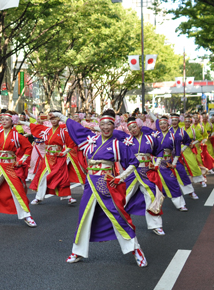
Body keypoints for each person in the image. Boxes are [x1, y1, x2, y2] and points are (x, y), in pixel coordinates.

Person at [54, 110, 147, 267]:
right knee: (84, 217)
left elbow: (133, 162)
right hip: (90, 183)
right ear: (98, 125)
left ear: (113, 126)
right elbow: (76, 128)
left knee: (118, 216)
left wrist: (120, 177)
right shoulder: (91, 140)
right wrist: (62, 117)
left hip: (106, 185)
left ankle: (135, 249)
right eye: (102, 124)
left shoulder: (117, 145)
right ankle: (78, 251)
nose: (105, 127)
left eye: (109, 124)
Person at [117, 117, 166, 236]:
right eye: (130, 128)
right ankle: (117, 221)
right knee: (124, 195)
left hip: (146, 171)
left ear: (139, 126)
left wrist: (157, 164)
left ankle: (156, 225)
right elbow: (123, 157)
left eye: (134, 127)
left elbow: (159, 151)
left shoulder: (150, 138)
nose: (133, 130)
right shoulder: (127, 141)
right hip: (132, 171)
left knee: (152, 196)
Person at [21, 111, 77, 205]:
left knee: (62, 177)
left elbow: (70, 143)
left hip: (59, 157)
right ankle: (38, 197)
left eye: (55, 118)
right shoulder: (46, 130)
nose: (53, 121)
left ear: (59, 119)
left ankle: (68, 197)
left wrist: (64, 152)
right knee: (42, 176)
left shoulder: (63, 132)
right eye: (51, 119)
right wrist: (21, 122)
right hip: (47, 157)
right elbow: (34, 127)